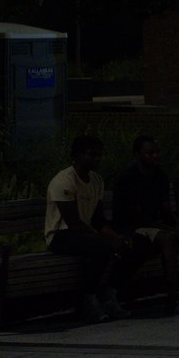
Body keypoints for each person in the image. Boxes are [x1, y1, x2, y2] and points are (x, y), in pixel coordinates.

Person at [112, 135, 179, 314]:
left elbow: (166, 209)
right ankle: (173, 299)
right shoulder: (128, 178)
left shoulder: (159, 174)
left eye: (156, 152)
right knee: (168, 239)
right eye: (149, 153)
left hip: (153, 224)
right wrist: (172, 229)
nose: (155, 156)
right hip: (132, 227)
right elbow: (135, 217)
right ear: (138, 154)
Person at [46, 134, 131, 323]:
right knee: (101, 247)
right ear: (77, 155)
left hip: (83, 234)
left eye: (99, 155)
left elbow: (98, 219)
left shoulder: (96, 180)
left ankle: (108, 295)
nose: (97, 159)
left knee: (127, 244)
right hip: (61, 236)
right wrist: (105, 239)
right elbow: (73, 222)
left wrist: (116, 236)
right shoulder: (64, 181)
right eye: (92, 155)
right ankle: (87, 300)